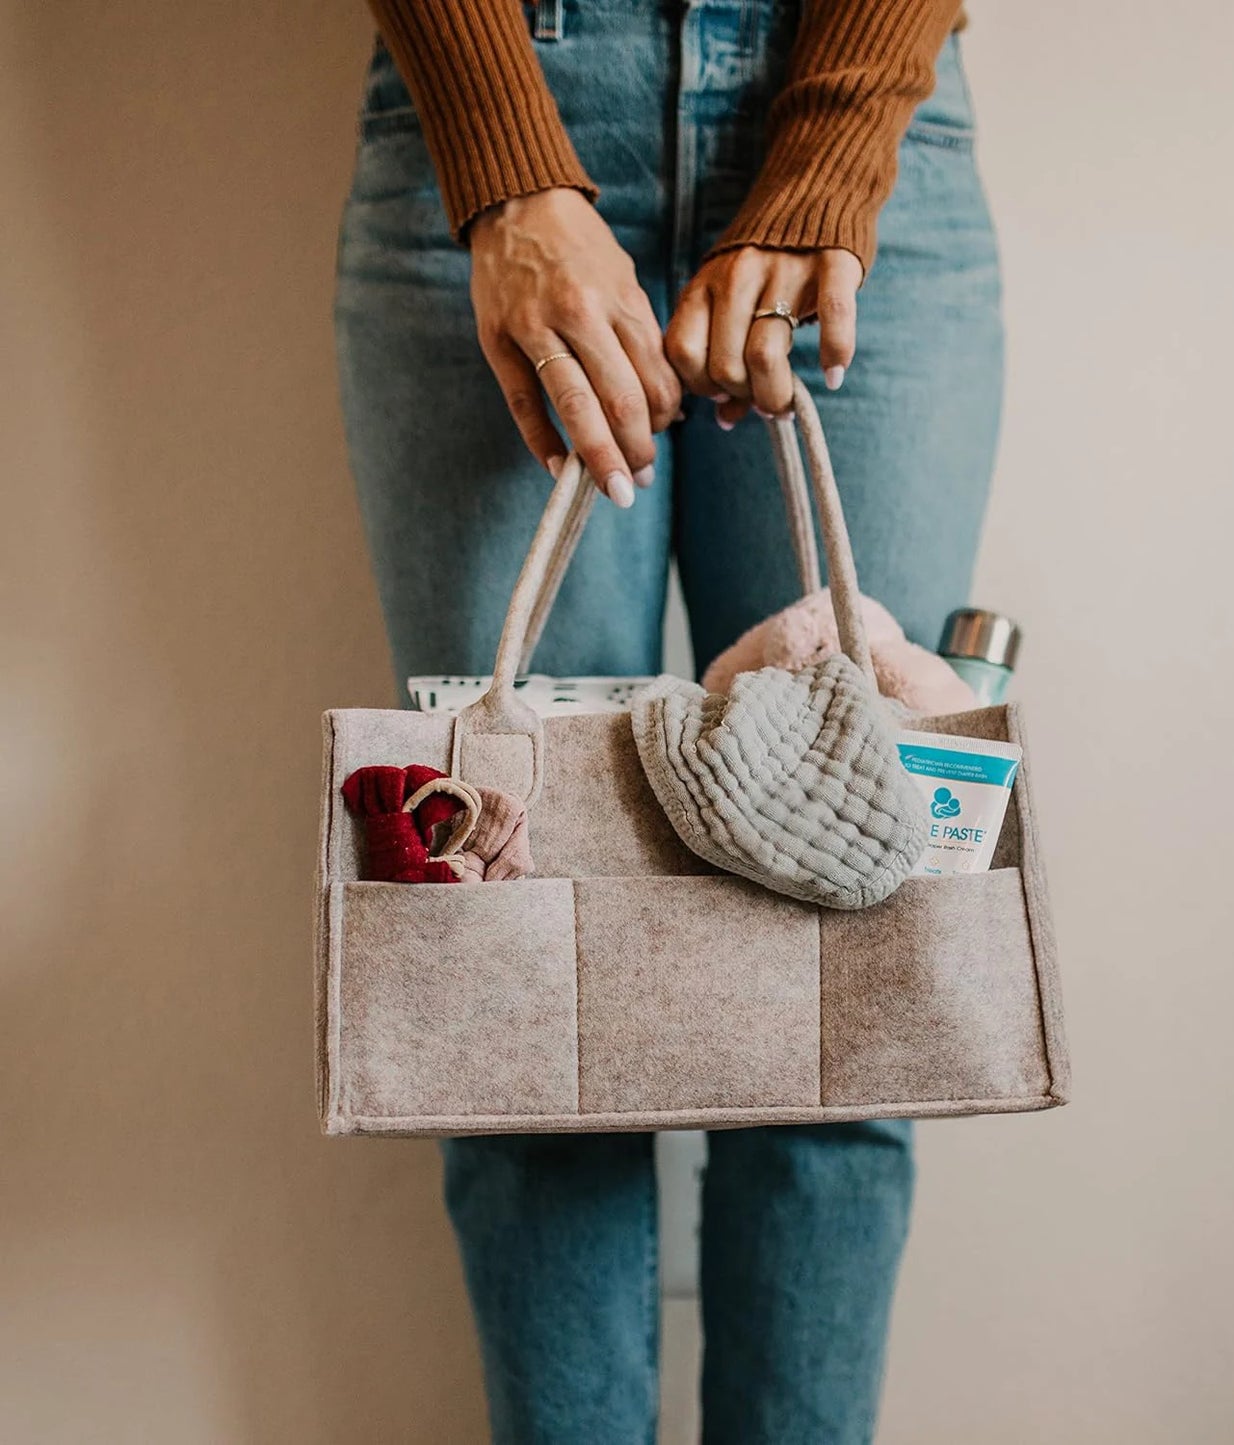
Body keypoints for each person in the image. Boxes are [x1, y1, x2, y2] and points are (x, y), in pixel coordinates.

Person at [334, 1, 1003, 1439]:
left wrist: (830, 144)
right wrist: (505, 165)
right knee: (511, 1011)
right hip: (499, 101)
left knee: (852, 1001)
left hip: (861, 120)